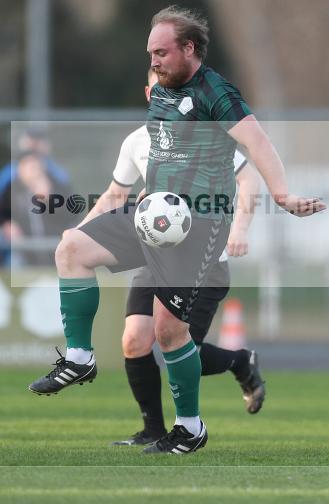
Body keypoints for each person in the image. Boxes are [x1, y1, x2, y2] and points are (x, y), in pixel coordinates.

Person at [28, 6, 324, 455]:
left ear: (189, 48)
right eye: (150, 53)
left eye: (162, 52)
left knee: (169, 335)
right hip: (152, 216)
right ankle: (79, 358)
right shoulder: (160, 92)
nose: (154, 60)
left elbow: (257, 142)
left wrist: (281, 195)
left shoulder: (215, 92)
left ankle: (189, 427)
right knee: (71, 249)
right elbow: (115, 191)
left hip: (200, 225)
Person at [74, 69, 264, 447]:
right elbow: (115, 193)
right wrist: (78, 235)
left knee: (175, 343)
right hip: (154, 255)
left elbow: (249, 178)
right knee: (134, 340)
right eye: (161, 88)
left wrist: (239, 229)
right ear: (150, 93)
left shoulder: (203, 137)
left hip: (205, 260)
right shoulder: (136, 142)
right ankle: (153, 429)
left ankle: (239, 362)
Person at [0, 149, 78, 265]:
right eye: (27, 166)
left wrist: (49, 200)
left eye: (35, 166)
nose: (32, 171)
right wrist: (7, 223)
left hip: (56, 249)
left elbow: (72, 216)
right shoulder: (12, 189)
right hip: (24, 251)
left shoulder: (57, 186)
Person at [0, 128, 70, 200]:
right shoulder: (11, 171)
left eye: (37, 141)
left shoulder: (56, 172)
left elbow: (66, 192)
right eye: (31, 142)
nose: (33, 145)